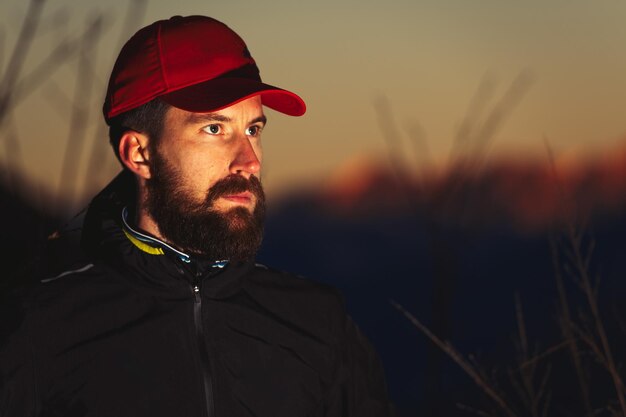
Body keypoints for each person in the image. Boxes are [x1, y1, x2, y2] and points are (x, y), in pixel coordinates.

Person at [0, 15, 395, 417]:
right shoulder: (40, 328)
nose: (249, 161)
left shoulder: (318, 323)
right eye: (214, 129)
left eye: (253, 130)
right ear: (139, 153)